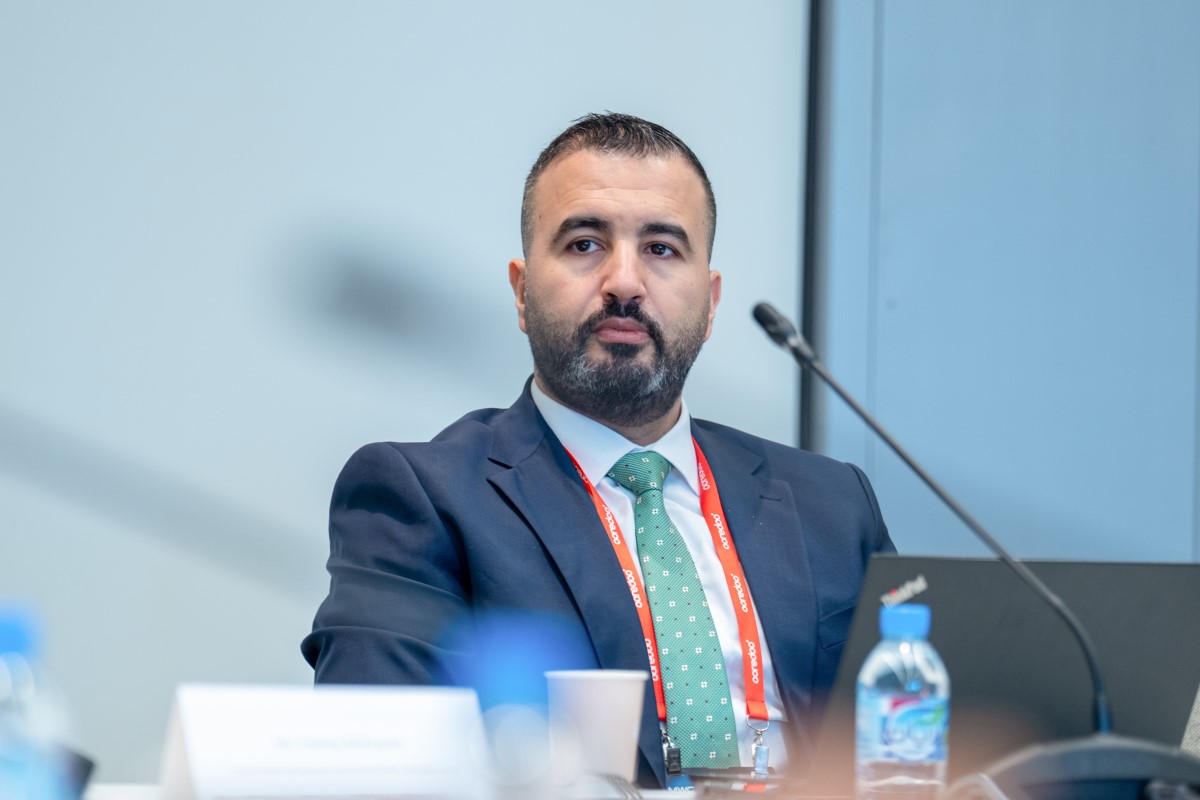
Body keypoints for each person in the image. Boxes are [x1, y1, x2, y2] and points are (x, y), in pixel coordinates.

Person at [301, 113, 893, 788]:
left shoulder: (831, 504)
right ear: (522, 292)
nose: (624, 282)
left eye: (662, 248)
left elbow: (937, 739)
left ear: (710, 302)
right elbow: (374, 765)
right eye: (584, 244)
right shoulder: (425, 499)